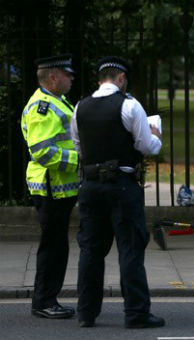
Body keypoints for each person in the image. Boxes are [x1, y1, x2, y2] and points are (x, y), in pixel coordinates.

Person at [71, 56, 164, 328]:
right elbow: (147, 147)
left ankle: (86, 313)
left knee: (90, 250)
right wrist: (155, 133)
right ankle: (136, 313)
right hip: (122, 185)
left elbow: (79, 148)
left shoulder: (80, 107)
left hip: (90, 186)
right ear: (121, 78)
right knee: (130, 249)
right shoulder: (130, 105)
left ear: (101, 79)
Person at [21, 54, 80, 319]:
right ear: (53, 77)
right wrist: (81, 161)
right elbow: (44, 152)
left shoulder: (57, 101)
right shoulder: (42, 107)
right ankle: (44, 301)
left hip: (59, 188)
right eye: (68, 74)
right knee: (52, 246)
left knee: (57, 245)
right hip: (49, 188)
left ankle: (48, 298)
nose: (72, 78)